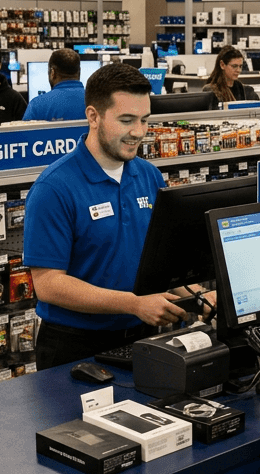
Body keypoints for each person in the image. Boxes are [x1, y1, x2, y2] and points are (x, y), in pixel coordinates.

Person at [22, 63, 187, 369]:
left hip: (143, 336)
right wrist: (134, 304)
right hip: (75, 346)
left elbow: (162, 256)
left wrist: (196, 294)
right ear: (93, 116)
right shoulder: (54, 187)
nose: (138, 132)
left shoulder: (149, 176)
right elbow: (48, 284)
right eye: (126, 120)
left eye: (144, 120)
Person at [23, 48, 86, 122]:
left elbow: (24, 133)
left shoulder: (36, 106)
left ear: (53, 73)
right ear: (79, 71)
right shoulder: (97, 101)